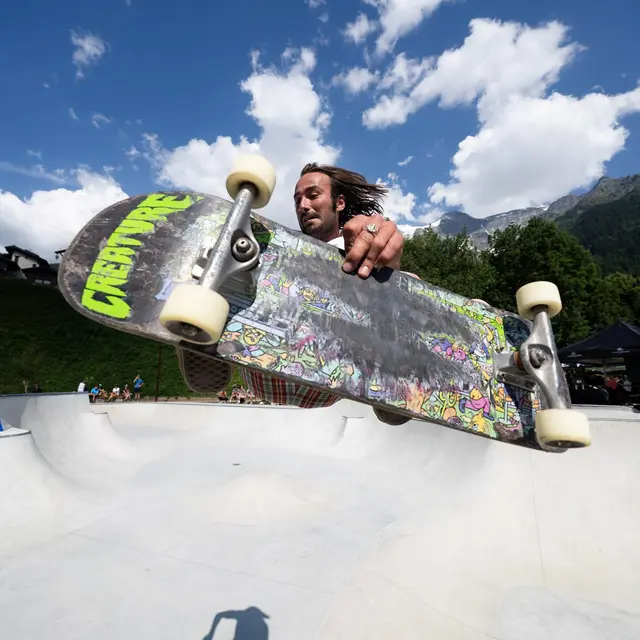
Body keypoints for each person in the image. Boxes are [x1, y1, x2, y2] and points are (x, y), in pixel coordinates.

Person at [238, 162, 413, 425]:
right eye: (297, 200)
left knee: (400, 282)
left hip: (328, 382)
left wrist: (384, 251)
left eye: (313, 195)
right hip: (260, 375)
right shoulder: (279, 252)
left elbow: (371, 238)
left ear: (339, 203)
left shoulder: (354, 245)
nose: (303, 206)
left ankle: (393, 389)